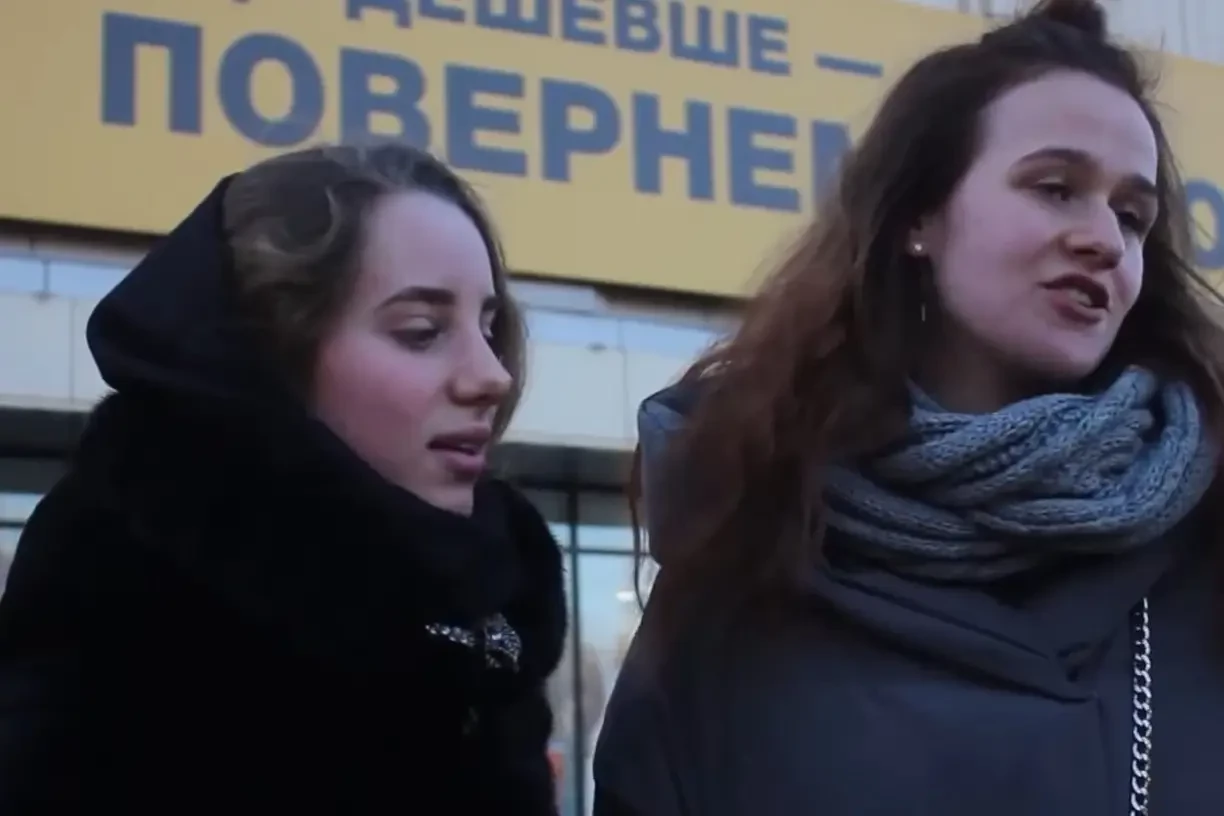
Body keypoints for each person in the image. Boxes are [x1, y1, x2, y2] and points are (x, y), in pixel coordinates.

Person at [594, 1, 1224, 814]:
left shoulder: (1204, 547)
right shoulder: (748, 549)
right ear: (919, 217)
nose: (1104, 239)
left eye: (1131, 217)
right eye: (1055, 188)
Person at [0, 143, 566, 813]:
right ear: (270, 353)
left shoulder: (489, 611)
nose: (492, 376)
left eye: (490, 327)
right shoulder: (125, 591)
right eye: (421, 331)